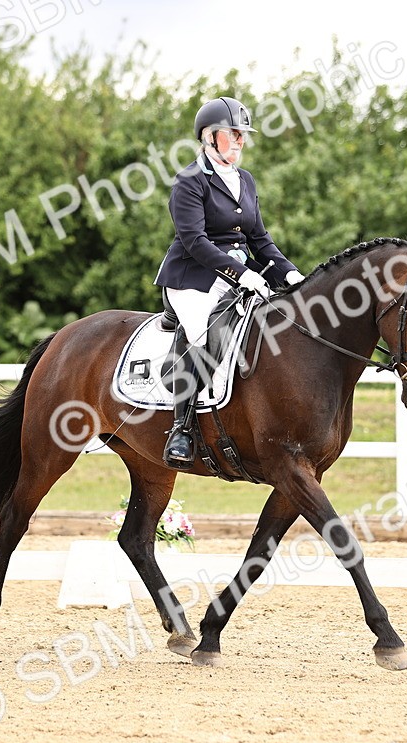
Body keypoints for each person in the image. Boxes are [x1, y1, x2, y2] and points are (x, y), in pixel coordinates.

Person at [154, 96, 306, 470]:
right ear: (209, 137)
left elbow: (259, 239)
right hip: (192, 278)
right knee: (205, 335)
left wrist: (288, 272)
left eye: (242, 135)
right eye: (232, 134)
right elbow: (195, 241)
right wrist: (241, 273)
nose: (240, 141)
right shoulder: (190, 181)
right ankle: (182, 429)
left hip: (240, 275)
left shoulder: (245, 180)